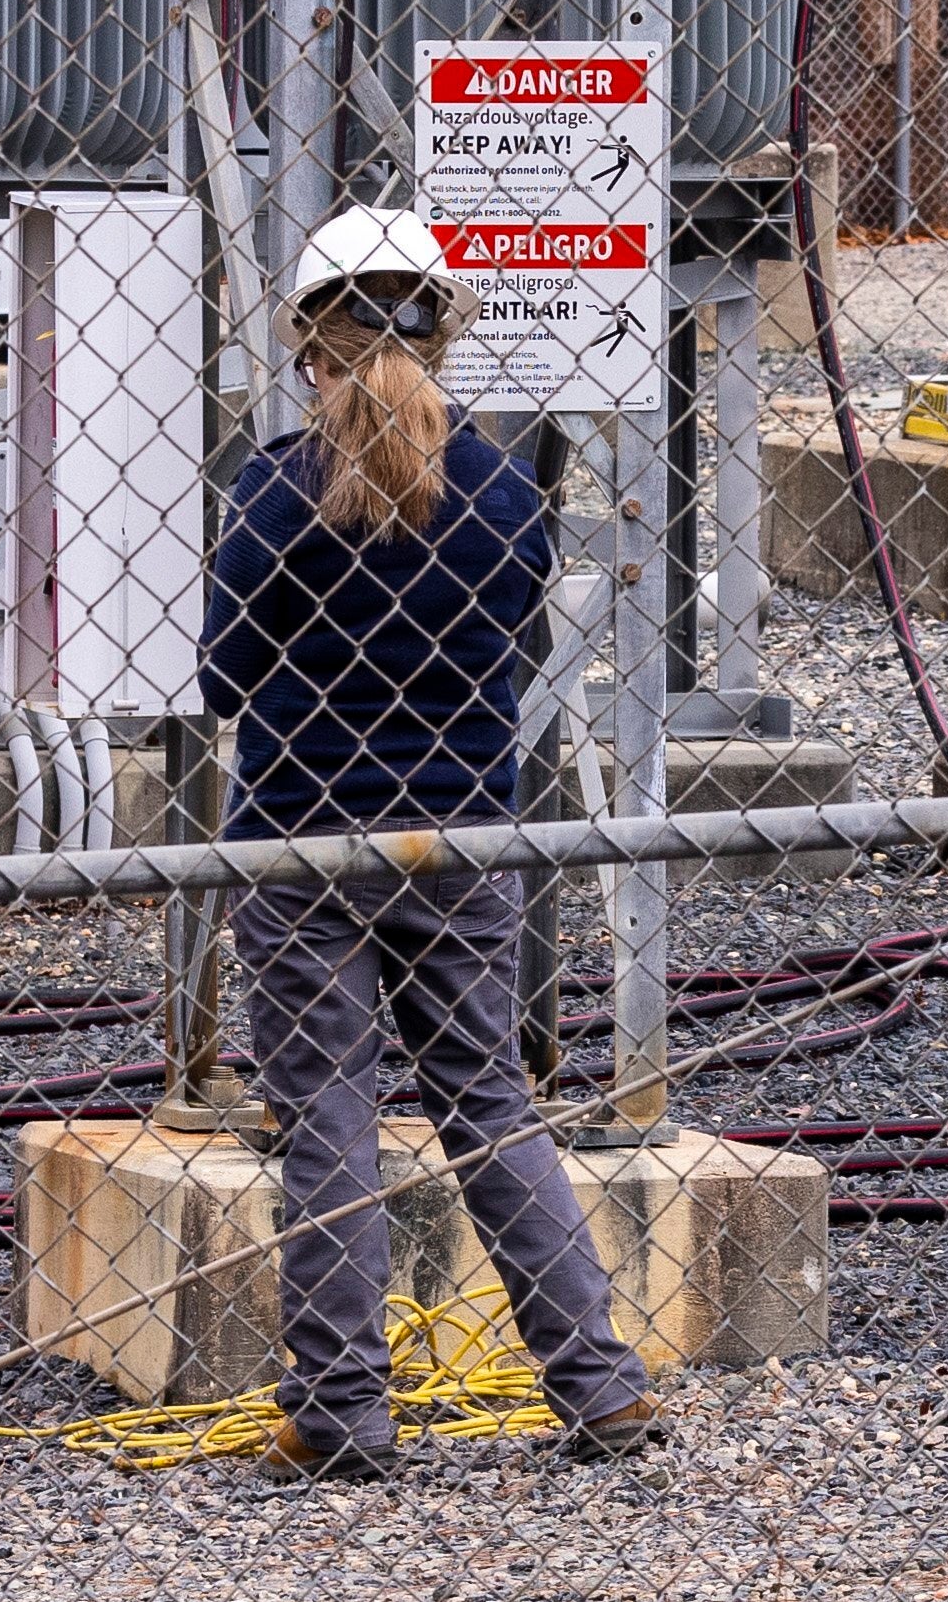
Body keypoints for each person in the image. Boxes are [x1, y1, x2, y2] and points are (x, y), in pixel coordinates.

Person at [201, 206, 663, 1482]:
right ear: (443, 334)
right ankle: (599, 1383)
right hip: (462, 827)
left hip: (300, 837)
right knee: (490, 1101)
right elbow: (511, 653)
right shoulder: (508, 488)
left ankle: (342, 1405)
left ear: (311, 347)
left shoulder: (278, 486)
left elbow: (226, 673)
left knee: (328, 1113)